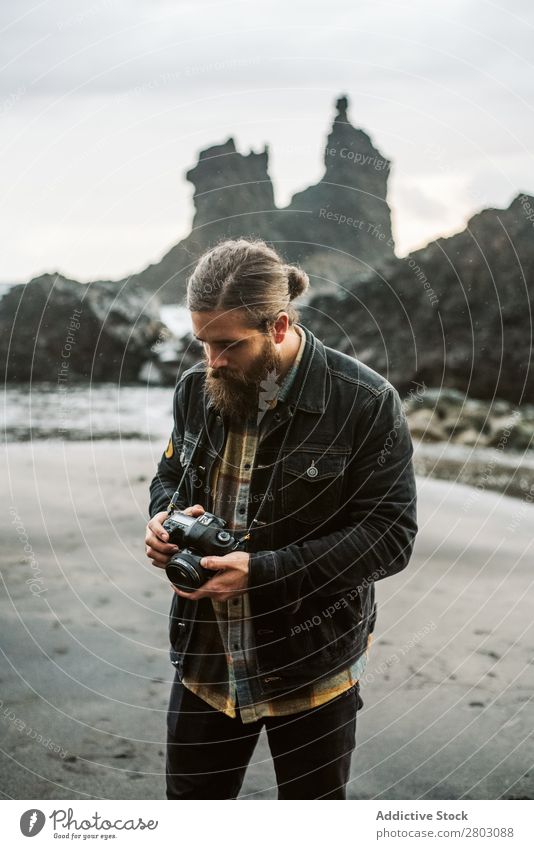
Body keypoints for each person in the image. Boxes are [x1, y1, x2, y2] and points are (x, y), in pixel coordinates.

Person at [145, 238, 418, 800]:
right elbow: (169, 476)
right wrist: (162, 519)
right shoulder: (195, 388)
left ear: (277, 326)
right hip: (205, 662)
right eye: (203, 343)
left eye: (228, 345)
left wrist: (263, 570)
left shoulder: (365, 401)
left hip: (313, 669)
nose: (211, 361)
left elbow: (391, 536)